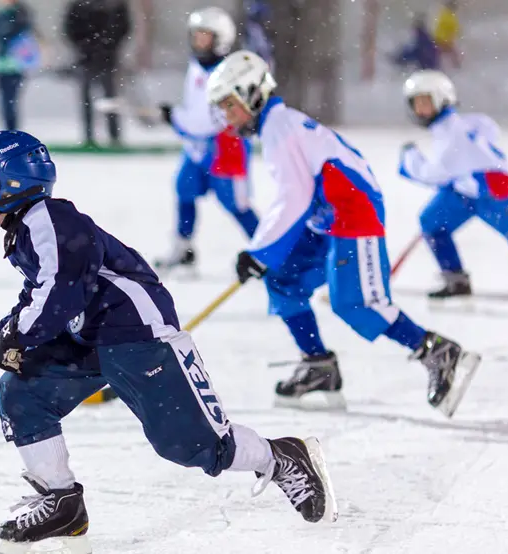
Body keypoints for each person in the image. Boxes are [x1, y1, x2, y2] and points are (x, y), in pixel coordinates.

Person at [0, 130, 337, 551]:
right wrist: (0, 336)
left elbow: (59, 293)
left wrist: (15, 336)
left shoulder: (50, 220)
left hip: (136, 332)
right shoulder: (27, 229)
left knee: (193, 446)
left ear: (12, 181)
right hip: (90, 336)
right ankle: (61, 502)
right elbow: (40, 293)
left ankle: (280, 457)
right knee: (22, 392)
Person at [205, 51, 480, 417]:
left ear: (253, 93)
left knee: (356, 303)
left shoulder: (280, 127)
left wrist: (258, 252)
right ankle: (318, 365)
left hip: (353, 214)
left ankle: (438, 352)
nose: (227, 116)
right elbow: (298, 197)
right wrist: (264, 256)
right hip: (325, 218)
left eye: (230, 104)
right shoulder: (278, 125)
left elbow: (293, 197)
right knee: (283, 279)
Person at [399, 70, 508, 298]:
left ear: (442, 98)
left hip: (490, 194)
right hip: (463, 191)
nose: (420, 109)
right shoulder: (453, 126)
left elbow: (432, 174)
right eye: (416, 103)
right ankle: (455, 280)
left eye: (425, 101)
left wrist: (410, 158)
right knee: (431, 223)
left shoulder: (451, 133)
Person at [154, 7, 259, 273]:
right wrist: (177, 115)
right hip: (197, 150)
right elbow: (194, 108)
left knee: (237, 206)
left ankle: (266, 252)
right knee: (184, 190)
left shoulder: (228, 73)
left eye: (206, 36)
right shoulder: (196, 66)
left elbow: (208, 120)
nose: (199, 42)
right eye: (196, 35)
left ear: (220, 39)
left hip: (225, 150)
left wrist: (174, 118)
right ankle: (183, 248)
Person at [64, 0, 131, 146]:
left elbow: (123, 28)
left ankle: (114, 136)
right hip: (86, 57)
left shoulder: (115, 5)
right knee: (87, 98)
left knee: (110, 99)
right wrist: (85, 46)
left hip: (107, 57)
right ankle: (89, 136)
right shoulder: (78, 5)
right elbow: (70, 29)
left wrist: (108, 45)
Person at [0, 0, 40, 131]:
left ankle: (11, 130)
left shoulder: (18, 15)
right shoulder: (4, 14)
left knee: (10, 100)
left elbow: (1, 33)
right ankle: (9, 129)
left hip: (15, 64)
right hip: (3, 64)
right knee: (6, 100)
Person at [434, 1, 461, 69]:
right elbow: (453, 27)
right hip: (445, 40)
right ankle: (456, 66)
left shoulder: (444, 14)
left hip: (439, 38)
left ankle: (436, 66)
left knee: (439, 54)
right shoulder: (450, 17)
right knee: (452, 53)